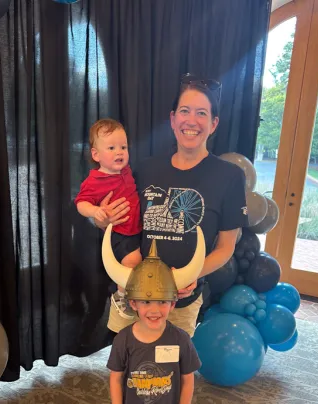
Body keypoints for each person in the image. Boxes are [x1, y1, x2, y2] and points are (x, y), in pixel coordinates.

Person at [97, 74, 249, 337]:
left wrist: (192, 276)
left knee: (172, 372)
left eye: (201, 113)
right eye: (184, 111)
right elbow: (119, 224)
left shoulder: (230, 176)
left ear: (214, 124)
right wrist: (101, 220)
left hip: (182, 302)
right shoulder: (143, 169)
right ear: (172, 119)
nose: (191, 120)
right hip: (134, 296)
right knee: (126, 369)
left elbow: (226, 247)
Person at [103, 223, 204, 404]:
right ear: (133, 303)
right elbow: (115, 379)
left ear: (173, 303)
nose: (155, 310)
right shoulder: (123, 340)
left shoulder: (180, 340)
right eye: (146, 301)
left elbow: (188, 380)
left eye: (162, 302)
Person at [74, 119, 142, 319]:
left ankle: (126, 292)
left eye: (123, 147)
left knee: (138, 263)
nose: (119, 152)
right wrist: (95, 211)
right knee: (132, 261)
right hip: (120, 233)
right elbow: (80, 203)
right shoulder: (94, 180)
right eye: (111, 148)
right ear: (96, 155)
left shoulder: (126, 171)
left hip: (135, 230)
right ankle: (121, 297)